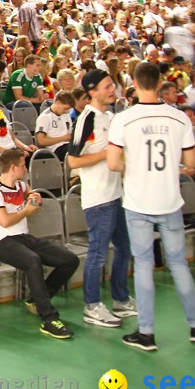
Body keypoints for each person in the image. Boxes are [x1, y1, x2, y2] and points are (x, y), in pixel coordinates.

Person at [106, 61, 195, 352]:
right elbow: (191, 163)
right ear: (160, 83)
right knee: (179, 263)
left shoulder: (123, 120)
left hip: (138, 200)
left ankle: (146, 332)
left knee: (142, 264)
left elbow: (114, 163)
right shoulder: (179, 118)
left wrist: (135, 164)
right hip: (169, 199)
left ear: (134, 82)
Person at [0, 148, 79, 340]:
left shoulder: (20, 185)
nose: (26, 169)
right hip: (1, 242)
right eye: (23, 166)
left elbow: (31, 192)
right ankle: (49, 319)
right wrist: (26, 211)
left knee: (69, 260)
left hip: (23, 238)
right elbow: (5, 221)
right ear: (14, 168)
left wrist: (35, 197)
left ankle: (37, 300)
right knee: (33, 261)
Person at [66, 69, 135, 329]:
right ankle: (92, 306)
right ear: (92, 92)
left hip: (116, 194)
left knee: (124, 248)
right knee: (98, 252)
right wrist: (108, 153)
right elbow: (73, 160)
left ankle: (121, 298)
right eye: (107, 86)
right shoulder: (87, 119)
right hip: (99, 198)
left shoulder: (110, 117)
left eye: (112, 85)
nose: (112, 89)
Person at [34, 91, 74, 161]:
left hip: (68, 145)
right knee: (74, 151)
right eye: (65, 108)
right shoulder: (45, 117)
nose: (67, 111)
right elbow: (41, 141)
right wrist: (63, 138)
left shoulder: (66, 116)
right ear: (58, 103)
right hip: (55, 149)